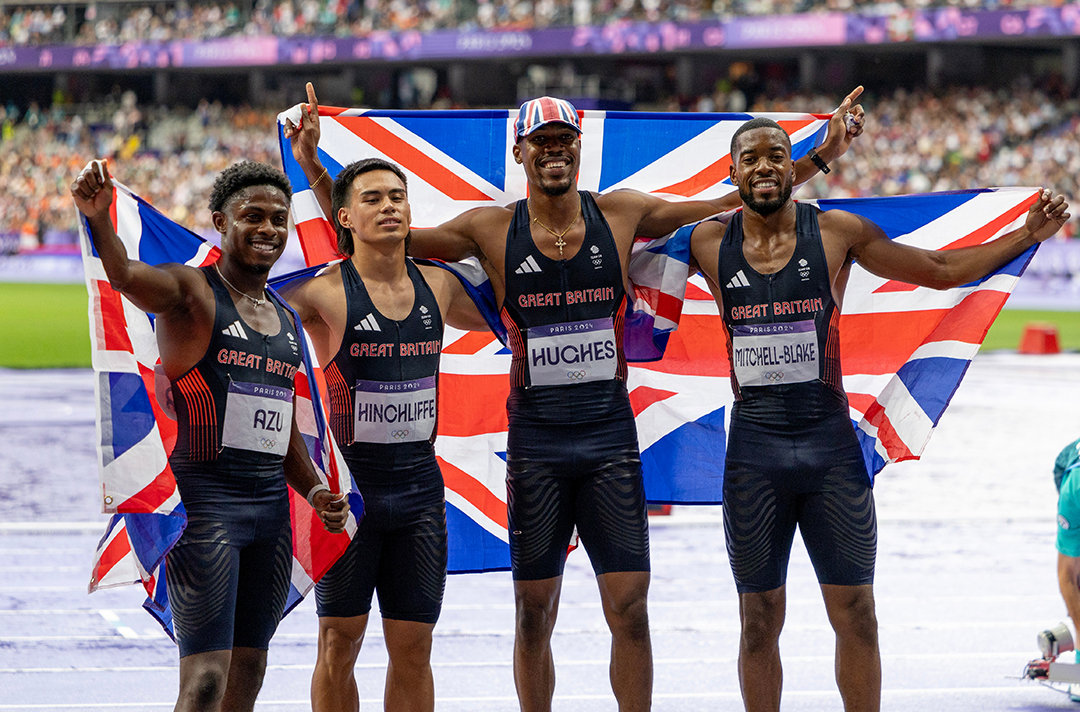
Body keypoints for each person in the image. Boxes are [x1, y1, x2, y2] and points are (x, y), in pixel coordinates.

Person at [286, 83, 865, 712]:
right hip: (535, 444)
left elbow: (735, 199)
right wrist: (317, 169)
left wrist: (823, 156)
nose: (554, 152)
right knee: (533, 613)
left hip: (609, 441)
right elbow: (381, 237)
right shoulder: (488, 227)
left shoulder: (621, 213)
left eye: (564, 141)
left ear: (578, 149)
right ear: (521, 154)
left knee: (631, 609)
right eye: (542, 143)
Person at [687, 117, 1070, 712]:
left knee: (857, 615)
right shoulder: (705, 241)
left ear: (793, 166)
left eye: (776, 156)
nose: (764, 166)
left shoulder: (837, 231)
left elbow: (941, 272)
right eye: (750, 158)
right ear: (732, 172)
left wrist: (1026, 234)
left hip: (828, 449)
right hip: (754, 453)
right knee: (758, 619)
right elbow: (621, 241)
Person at [71, 159, 350, 712]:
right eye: (252, 216)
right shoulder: (192, 293)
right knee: (203, 681)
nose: (268, 228)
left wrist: (315, 489)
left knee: (249, 672)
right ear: (220, 222)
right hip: (206, 506)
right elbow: (126, 276)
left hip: (270, 510)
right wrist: (100, 220)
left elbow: (282, 430)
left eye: (278, 218)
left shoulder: (285, 320)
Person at [277, 151, 488, 711]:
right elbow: (246, 315)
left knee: (414, 649)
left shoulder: (439, 286)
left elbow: (516, 310)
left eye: (397, 197)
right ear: (344, 218)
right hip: (348, 494)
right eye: (371, 199)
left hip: (419, 491)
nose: (388, 207)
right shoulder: (321, 293)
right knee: (338, 643)